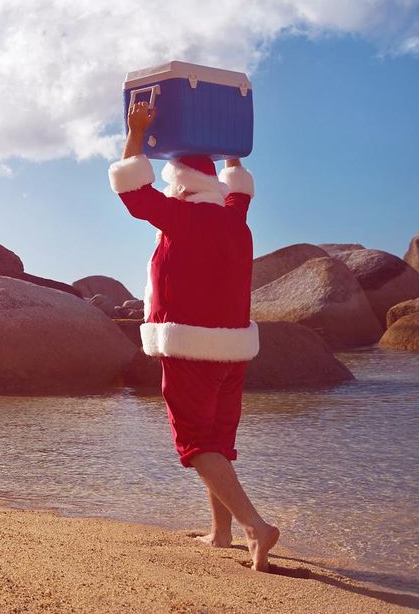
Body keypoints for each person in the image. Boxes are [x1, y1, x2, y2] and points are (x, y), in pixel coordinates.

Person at [107, 100, 279, 572]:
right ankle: (221, 533)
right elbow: (239, 187)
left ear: (180, 185)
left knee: (196, 445)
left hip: (189, 347)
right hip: (233, 352)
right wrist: (231, 151)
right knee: (218, 441)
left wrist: (136, 132)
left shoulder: (182, 217)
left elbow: (132, 190)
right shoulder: (233, 218)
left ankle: (254, 528)